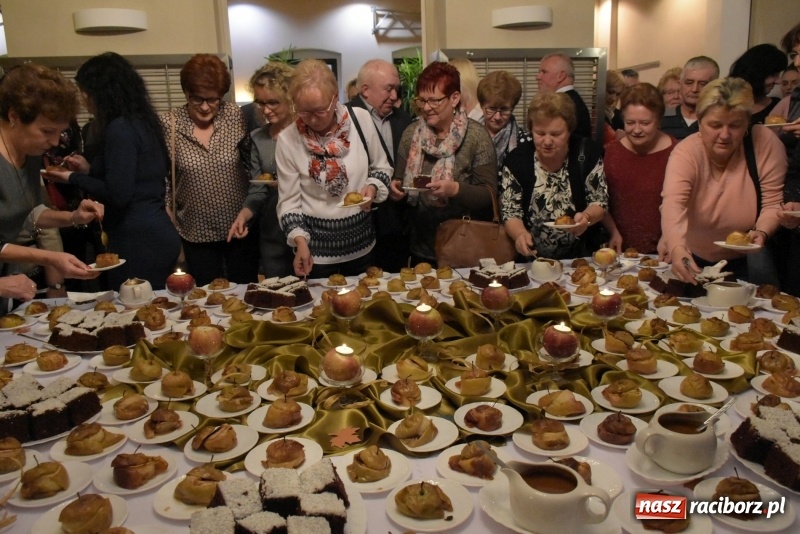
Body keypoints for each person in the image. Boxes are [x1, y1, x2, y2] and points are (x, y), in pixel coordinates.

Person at [43, 52, 181, 290]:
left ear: (101, 93)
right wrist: (88, 169)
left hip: (138, 238)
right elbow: (136, 176)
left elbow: (119, 194)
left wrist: (72, 177)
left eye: (85, 93)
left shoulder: (120, 129)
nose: (84, 100)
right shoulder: (142, 122)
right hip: (154, 231)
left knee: (137, 313)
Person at [661, 77, 787, 284]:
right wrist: (676, 246)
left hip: (748, 259)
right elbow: (673, 204)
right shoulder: (686, 152)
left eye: (735, 125)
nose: (725, 135)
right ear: (700, 122)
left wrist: (763, 231)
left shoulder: (765, 142)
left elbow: (773, 202)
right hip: (693, 254)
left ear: (747, 123)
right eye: (715, 125)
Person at [0, 64, 102, 311]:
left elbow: (26, 214)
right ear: (14, 116)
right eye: (47, 131)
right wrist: (51, 258)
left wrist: (74, 217)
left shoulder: (30, 153)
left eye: (60, 133)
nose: (55, 141)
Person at [276, 59, 392, 278]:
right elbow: (289, 202)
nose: (311, 120)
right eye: (303, 111)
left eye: (320, 111)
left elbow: (382, 168)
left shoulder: (361, 120)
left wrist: (373, 187)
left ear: (335, 98)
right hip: (315, 254)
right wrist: (300, 241)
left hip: (362, 248)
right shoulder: (288, 140)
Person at [160, 54, 259, 287]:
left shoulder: (234, 116)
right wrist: (167, 214)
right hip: (195, 232)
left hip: (239, 228)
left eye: (213, 100)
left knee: (246, 294)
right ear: (186, 92)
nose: (205, 107)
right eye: (197, 99)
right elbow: (162, 176)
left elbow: (250, 164)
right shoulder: (168, 123)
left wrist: (251, 211)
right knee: (206, 299)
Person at [389, 62, 497, 265]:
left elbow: (489, 195)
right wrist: (396, 190)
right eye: (422, 101)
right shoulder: (411, 134)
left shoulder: (476, 137)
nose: (426, 108)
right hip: (420, 246)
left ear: (454, 98)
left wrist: (455, 189)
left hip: (464, 248)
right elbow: (399, 180)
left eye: (434, 101)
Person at [500, 92, 608, 259]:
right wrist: (520, 234)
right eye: (540, 133)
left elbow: (599, 201)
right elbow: (510, 212)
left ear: (569, 131)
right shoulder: (517, 160)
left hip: (580, 257)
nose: (547, 141)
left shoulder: (587, 153)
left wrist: (586, 218)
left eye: (556, 134)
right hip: (533, 259)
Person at [227, 63, 295, 278]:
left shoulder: (306, 134)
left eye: (273, 102)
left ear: (291, 98)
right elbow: (258, 189)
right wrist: (244, 215)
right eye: (261, 103)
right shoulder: (258, 137)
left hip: (310, 231)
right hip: (272, 232)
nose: (266, 110)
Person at [347, 59, 413, 272]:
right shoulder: (343, 118)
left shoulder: (404, 120)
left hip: (395, 226)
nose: (394, 96)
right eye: (388, 89)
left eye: (396, 89)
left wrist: (401, 183)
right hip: (354, 226)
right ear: (365, 90)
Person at [602, 83, 678, 254]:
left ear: (658, 120)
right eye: (630, 122)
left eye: (645, 123)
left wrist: (670, 237)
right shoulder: (610, 152)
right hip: (617, 250)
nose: (636, 130)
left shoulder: (677, 153)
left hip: (665, 251)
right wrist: (612, 230)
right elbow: (600, 199)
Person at [476, 70, 532, 174]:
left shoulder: (524, 142)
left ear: (513, 107)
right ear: (482, 106)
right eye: (492, 109)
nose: (497, 117)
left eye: (505, 109)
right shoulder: (469, 136)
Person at [660, 56, 720, 140]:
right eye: (689, 82)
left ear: (715, 86)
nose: (694, 89)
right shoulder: (659, 117)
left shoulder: (720, 121)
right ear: (680, 83)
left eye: (702, 84)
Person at [536, 53, 592, 139]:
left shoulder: (561, 106)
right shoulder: (573, 101)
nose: (538, 77)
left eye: (544, 72)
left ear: (561, 76)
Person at [729, 44, 787, 125]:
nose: (779, 81)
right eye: (774, 75)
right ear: (757, 73)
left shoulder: (779, 106)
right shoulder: (725, 103)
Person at [603, 70, 626, 143]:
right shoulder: (593, 113)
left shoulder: (620, 116)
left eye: (618, 94)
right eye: (610, 92)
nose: (614, 98)